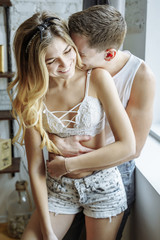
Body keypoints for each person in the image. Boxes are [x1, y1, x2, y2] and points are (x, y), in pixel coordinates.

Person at [8, 10, 136, 240]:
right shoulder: (32, 97)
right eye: (51, 60)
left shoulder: (97, 78)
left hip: (102, 185)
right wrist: (47, 231)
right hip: (59, 189)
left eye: (68, 51)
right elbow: (36, 168)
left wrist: (66, 164)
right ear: (34, 63)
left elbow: (127, 146)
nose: (66, 64)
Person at [47, 4, 156, 240]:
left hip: (113, 168)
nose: (70, 59)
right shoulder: (69, 65)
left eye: (79, 53)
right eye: (69, 49)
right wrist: (53, 142)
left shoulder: (140, 76)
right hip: (66, 162)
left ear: (109, 54)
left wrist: (73, 165)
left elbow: (133, 148)